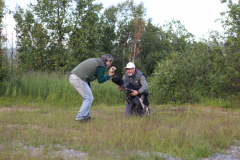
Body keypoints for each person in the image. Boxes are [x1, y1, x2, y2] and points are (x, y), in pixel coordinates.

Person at [70, 54, 115, 122]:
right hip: (78, 78)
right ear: (108, 61)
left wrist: (89, 86)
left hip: (75, 77)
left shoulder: (97, 61)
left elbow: (87, 74)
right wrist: (109, 76)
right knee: (89, 98)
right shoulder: (101, 65)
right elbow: (100, 80)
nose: (109, 65)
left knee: (87, 98)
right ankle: (80, 117)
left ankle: (85, 116)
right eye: (110, 63)